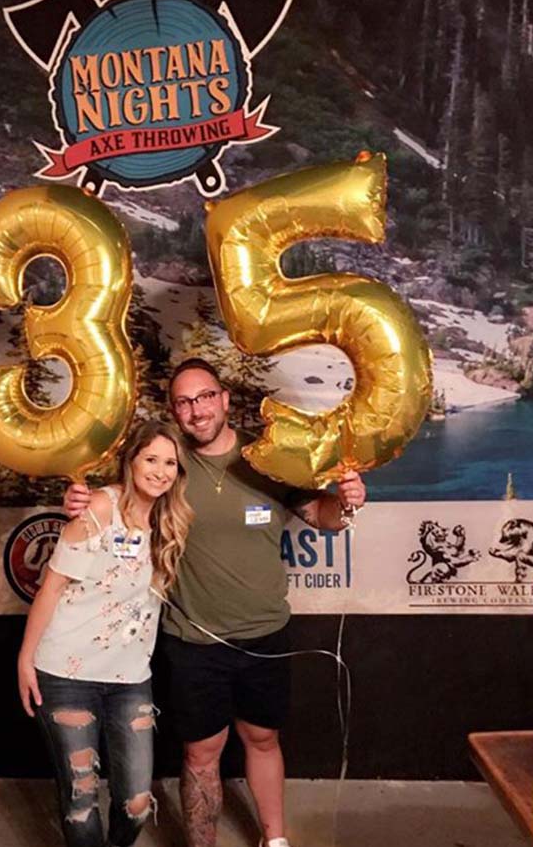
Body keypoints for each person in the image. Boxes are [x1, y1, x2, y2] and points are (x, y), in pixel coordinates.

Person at [64, 359, 366, 847]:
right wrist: (80, 503)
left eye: (204, 397)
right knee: (202, 752)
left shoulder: (269, 458)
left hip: (265, 633)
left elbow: (322, 516)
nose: (196, 410)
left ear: (224, 399)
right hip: (194, 641)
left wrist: (347, 501)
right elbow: (116, 503)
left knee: (263, 739)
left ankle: (275, 839)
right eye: (183, 402)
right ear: (174, 411)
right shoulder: (170, 464)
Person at [18, 419, 194, 847]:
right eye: (150, 459)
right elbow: (52, 586)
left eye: (170, 463)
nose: (160, 471)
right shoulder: (99, 508)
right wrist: (25, 659)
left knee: (136, 803)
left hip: (130, 678)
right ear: (130, 461)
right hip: (66, 674)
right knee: (80, 801)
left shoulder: (170, 520)